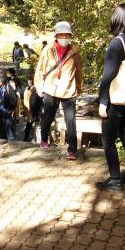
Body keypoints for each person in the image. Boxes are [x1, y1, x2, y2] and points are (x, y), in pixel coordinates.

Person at [96, 4, 125, 191]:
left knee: (107, 140)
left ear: (116, 20)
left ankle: (115, 180)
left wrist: (102, 102)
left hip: (115, 100)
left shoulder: (117, 43)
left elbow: (108, 76)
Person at [34, 21, 84, 160]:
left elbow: (79, 71)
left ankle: (72, 149)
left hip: (69, 90)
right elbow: (40, 70)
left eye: (67, 35)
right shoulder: (48, 50)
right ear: (56, 35)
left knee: (71, 121)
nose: (64, 37)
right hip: (51, 89)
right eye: (61, 34)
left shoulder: (75, 51)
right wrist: (39, 87)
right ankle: (44, 139)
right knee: (48, 117)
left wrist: (79, 88)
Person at [0, 74, 18, 141]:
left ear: (0, 81)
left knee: (9, 128)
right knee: (2, 128)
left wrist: (11, 109)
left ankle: (11, 142)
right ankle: (3, 141)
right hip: (0, 112)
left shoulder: (8, 88)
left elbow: (14, 100)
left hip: (7, 112)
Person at [22, 75, 42, 142]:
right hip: (28, 111)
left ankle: (37, 140)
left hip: (34, 111)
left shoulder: (36, 90)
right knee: (28, 126)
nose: (29, 81)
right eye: (28, 80)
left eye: (30, 80)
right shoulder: (27, 89)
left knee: (36, 126)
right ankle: (26, 139)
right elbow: (25, 100)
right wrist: (24, 110)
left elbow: (38, 102)